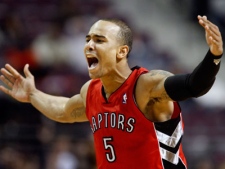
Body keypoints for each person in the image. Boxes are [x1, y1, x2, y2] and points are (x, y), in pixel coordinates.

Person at [0, 15, 223, 169]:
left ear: (121, 51)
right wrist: (32, 95)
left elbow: (194, 85)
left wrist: (213, 56)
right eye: (87, 40)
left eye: (99, 40)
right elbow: (63, 110)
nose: (89, 45)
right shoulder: (92, 91)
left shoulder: (146, 85)